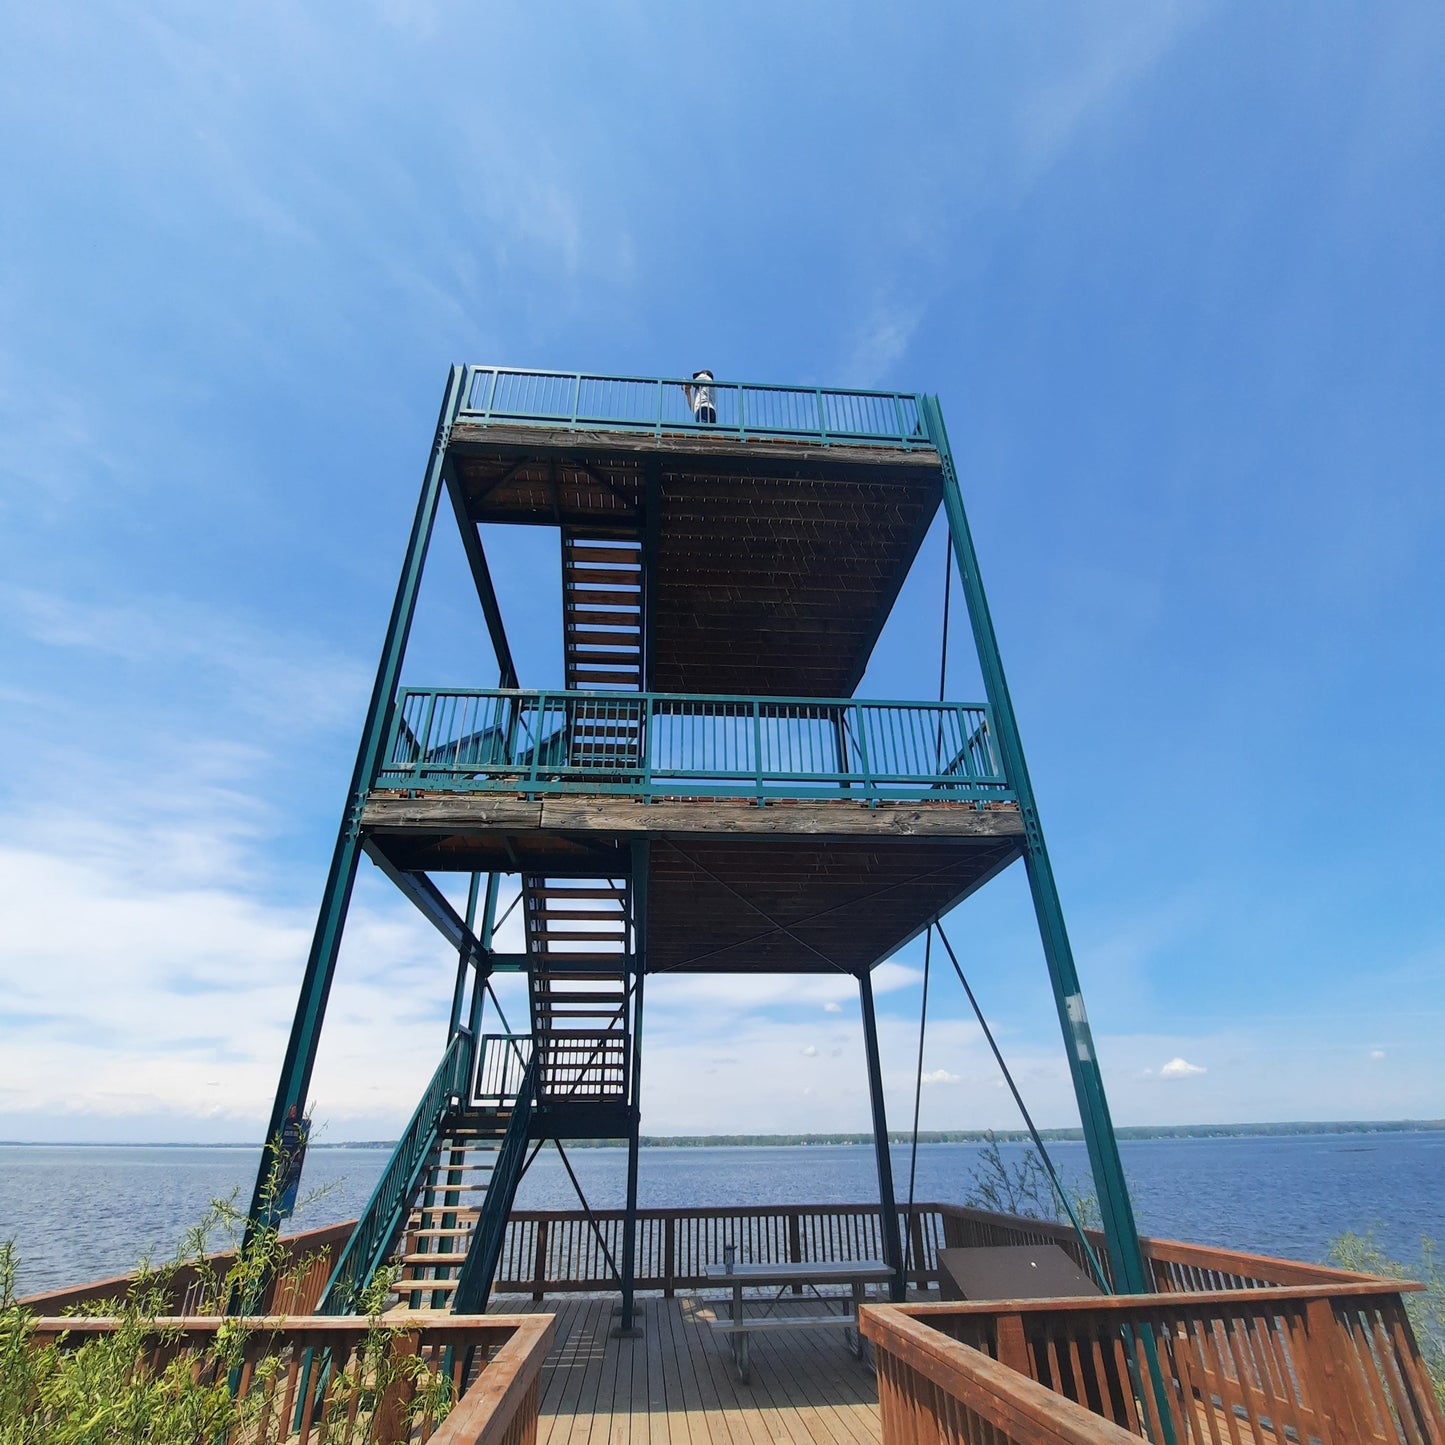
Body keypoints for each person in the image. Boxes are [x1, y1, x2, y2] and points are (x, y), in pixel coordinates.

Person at [276, 1103, 309, 1219]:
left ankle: (281, 1201)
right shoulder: (284, 1125)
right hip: (284, 1160)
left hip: (292, 1162)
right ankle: (277, 1198)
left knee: (289, 1180)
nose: (294, 1114)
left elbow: (300, 1144)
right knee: (280, 1178)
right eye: (292, 1111)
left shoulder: (299, 1126)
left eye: (295, 1111)